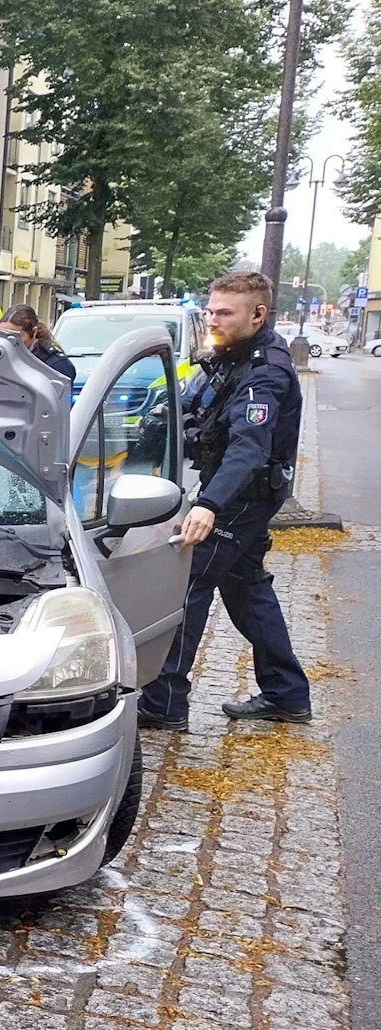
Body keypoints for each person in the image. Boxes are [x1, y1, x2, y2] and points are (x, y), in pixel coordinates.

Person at [137, 270, 310, 730]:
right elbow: (201, 408)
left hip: (241, 496)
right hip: (237, 491)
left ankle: (163, 703)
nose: (213, 319)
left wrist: (208, 505)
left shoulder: (265, 371)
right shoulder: (231, 356)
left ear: (258, 314)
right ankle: (287, 694)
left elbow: (249, 448)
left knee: (187, 584)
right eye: (211, 309)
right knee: (246, 587)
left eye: (224, 313)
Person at [1, 305, 77, 378]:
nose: (8, 341)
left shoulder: (55, 363)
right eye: (1, 334)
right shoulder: (0, 356)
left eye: (15, 336)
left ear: (34, 332)